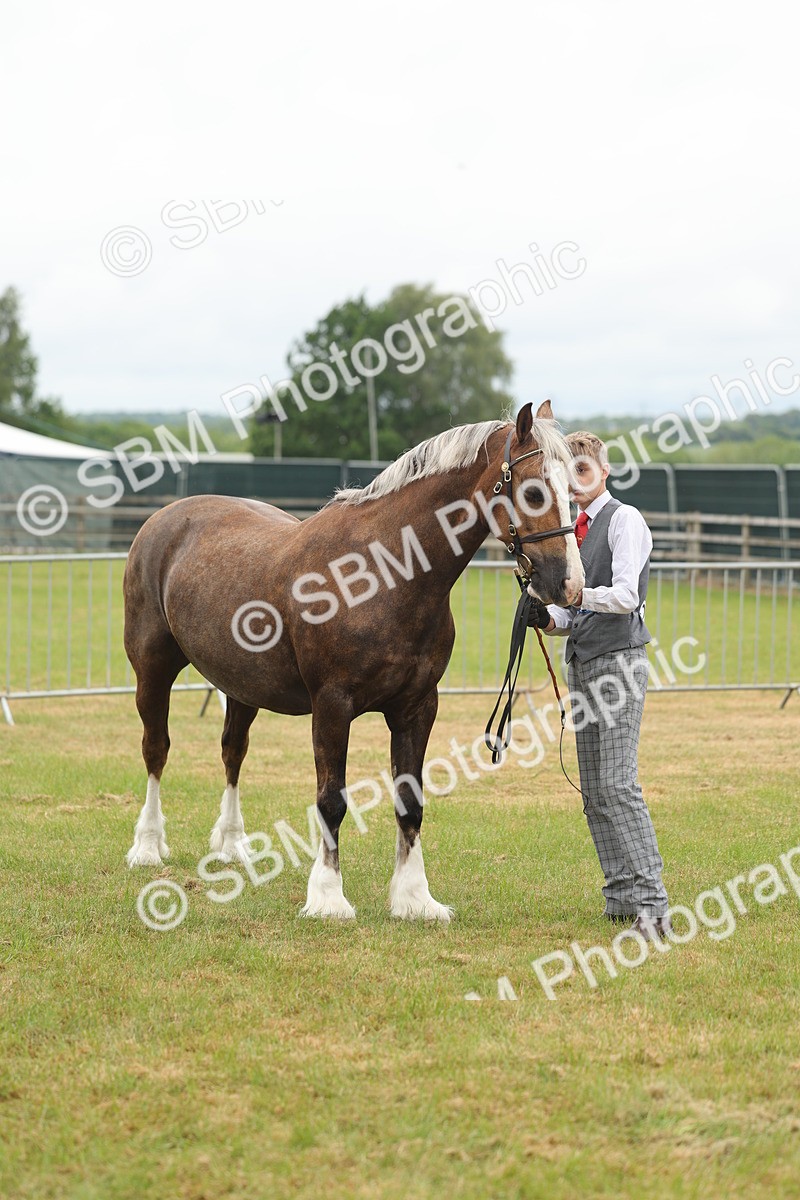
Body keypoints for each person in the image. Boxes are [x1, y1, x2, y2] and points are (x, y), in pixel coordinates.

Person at [528, 431, 670, 940]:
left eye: (583, 471)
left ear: (603, 473)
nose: (575, 483)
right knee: (594, 791)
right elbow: (577, 614)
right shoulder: (576, 531)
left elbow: (627, 595)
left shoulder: (623, 520)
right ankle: (620, 898)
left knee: (617, 785)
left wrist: (578, 593)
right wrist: (547, 619)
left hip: (619, 665)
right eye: (568, 476)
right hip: (584, 664)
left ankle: (653, 906)